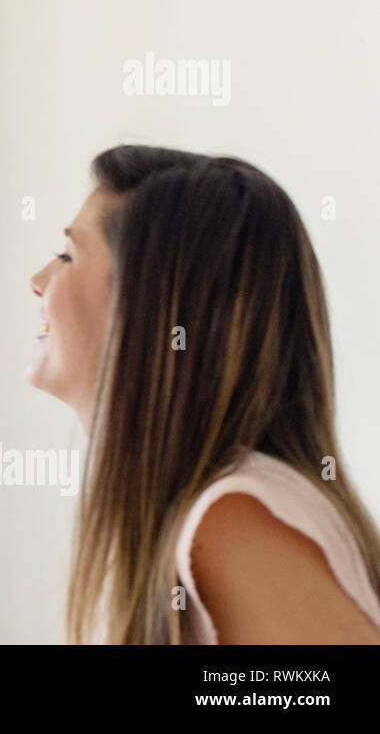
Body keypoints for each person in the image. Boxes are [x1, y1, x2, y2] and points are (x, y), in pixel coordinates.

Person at [27, 144, 380, 643]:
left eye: (69, 255)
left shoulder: (231, 520)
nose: (39, 280)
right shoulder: (207, 518)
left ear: (146, 303)